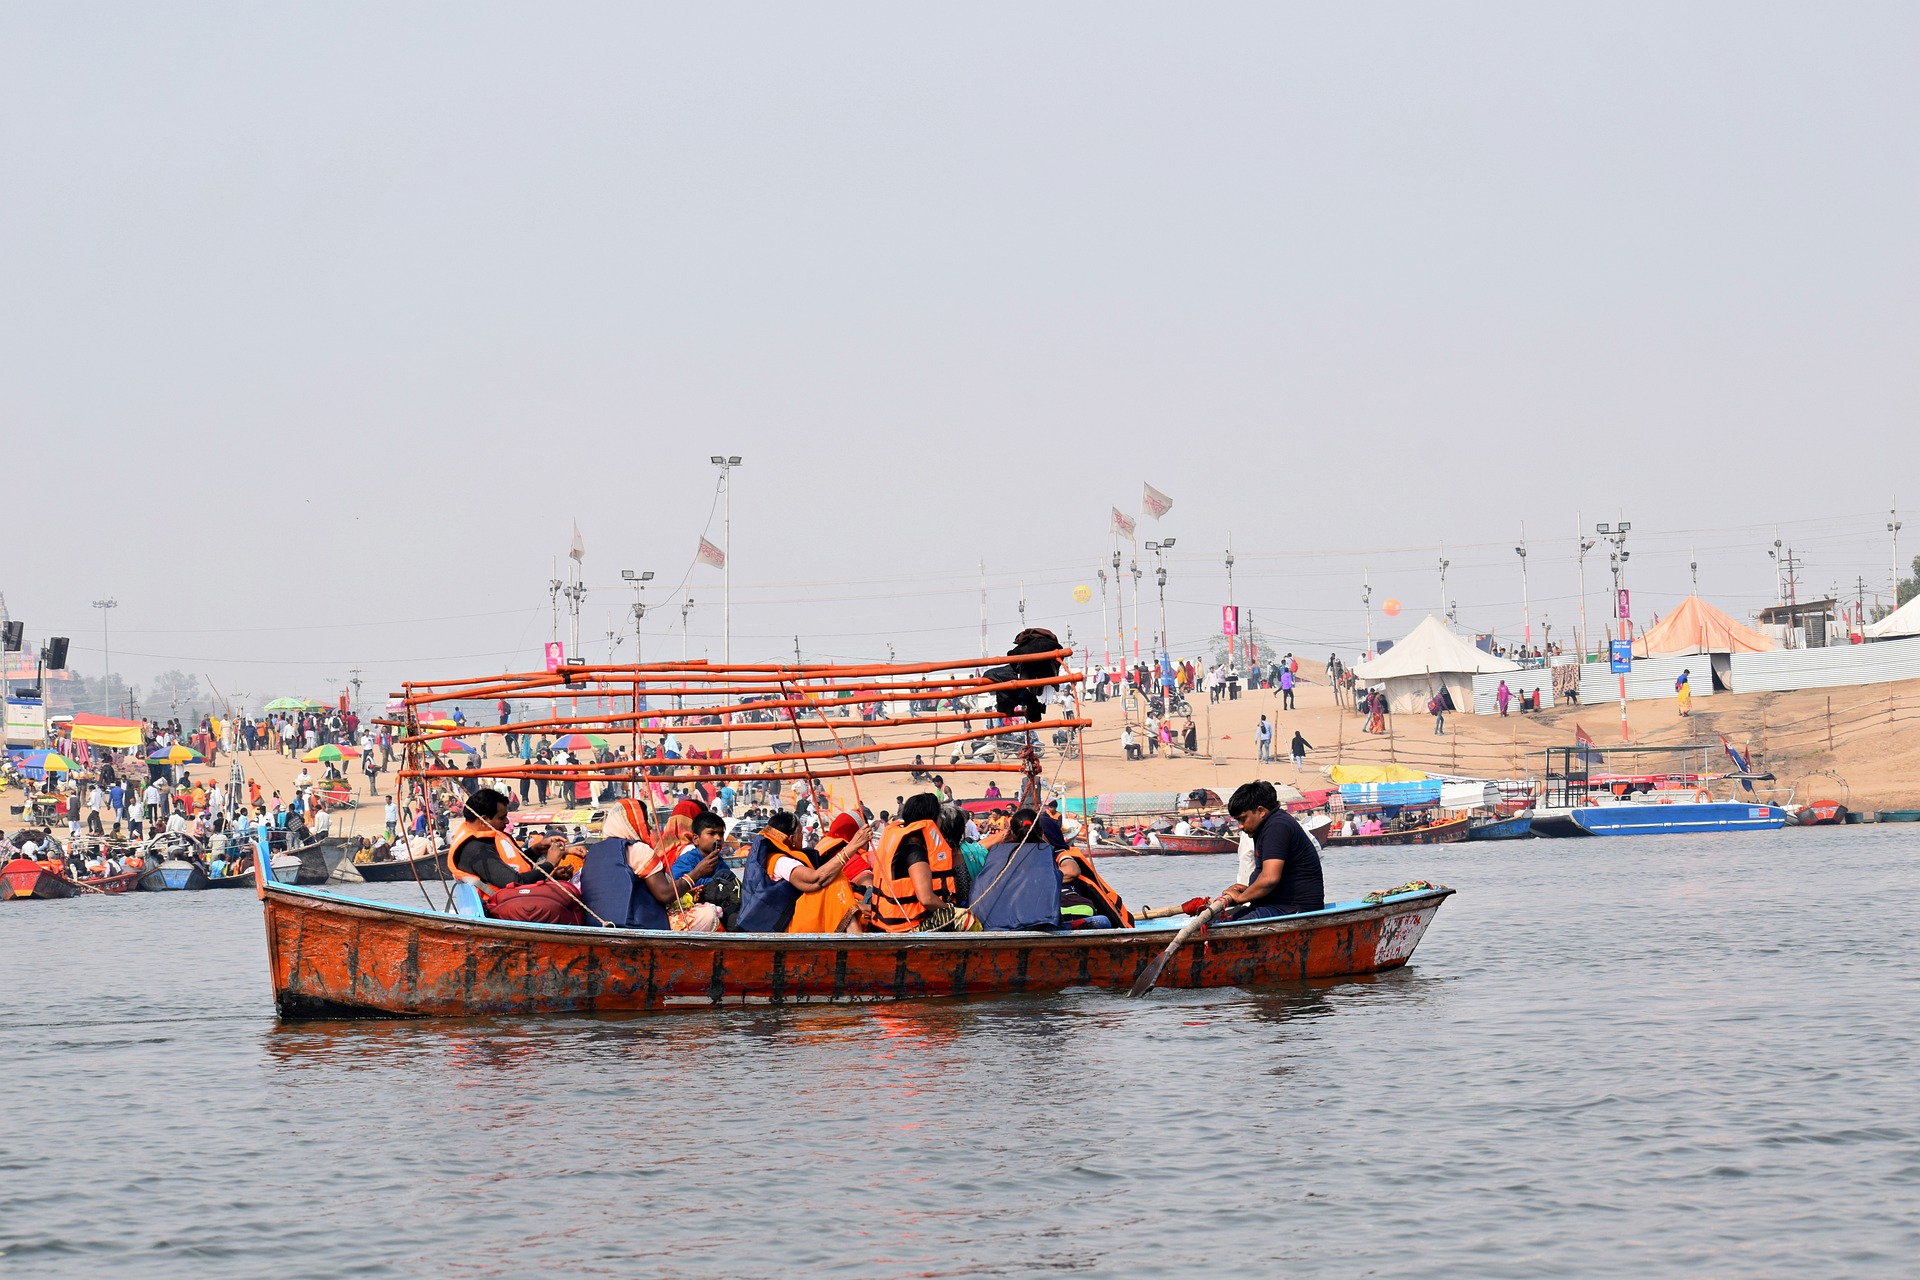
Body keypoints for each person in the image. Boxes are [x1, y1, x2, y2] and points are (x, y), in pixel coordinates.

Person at [447, 788, 586, 924]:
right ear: (484, 820)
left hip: (510, 903)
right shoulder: (475, 849)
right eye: (501, 818)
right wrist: (550, 863)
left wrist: (536, 850)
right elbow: (517, 881)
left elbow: (511, 869)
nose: (507, 822)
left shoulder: (482, 839)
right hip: (496, 915)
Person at [580, 799, 721, 931]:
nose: (648, 827)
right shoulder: (637, 849)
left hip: (595, 925)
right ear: (632, 823)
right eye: (645, 821)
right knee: (708, 914)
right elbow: (664, 894)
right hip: (635, 925)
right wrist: (697, 872)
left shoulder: (593, 851)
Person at [1207, 780, 1324, 919]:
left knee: (1225, 925)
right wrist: (1249, 891)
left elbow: (1269, 879)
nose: (1240, 826)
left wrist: (1241, 897)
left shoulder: (1277, 826)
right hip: (1278, 904)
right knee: (1218, 920)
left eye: (1243, 819)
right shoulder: (1266, 827)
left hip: (1294, 909)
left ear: (1261, 811)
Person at [737, 811, 861, 932]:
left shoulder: (776, 858)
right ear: (792, 838)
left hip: (791, 917)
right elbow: (816, 879)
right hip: (787, 925)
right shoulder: (782, 862)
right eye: (801, 833)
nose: (803, 837)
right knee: (837, 880)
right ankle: (855, 936)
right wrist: (852, 847)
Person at [866, 793, 971, 933]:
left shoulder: (903, 844)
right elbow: (926, 899)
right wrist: (951, 910)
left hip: (890, 922)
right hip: (909, 927)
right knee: (968, 919)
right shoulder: (915, 852)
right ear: (932, 819)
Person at [968, 808, 1062, 931]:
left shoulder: (995, 852)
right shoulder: (1047, 853)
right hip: (1035, 925)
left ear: (1011, 832)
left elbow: (977, 848)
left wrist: (1004, 836)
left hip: (989, 926)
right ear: (1040, 831)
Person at [1053, 819, 1135, 929]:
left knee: (1101, 920)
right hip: (1056, 916)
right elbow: (1072, 872)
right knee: (1102, 921)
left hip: (1065, 914)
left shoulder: (1060, 857)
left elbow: (1073, 872)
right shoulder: (1061, 857)